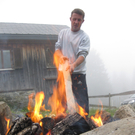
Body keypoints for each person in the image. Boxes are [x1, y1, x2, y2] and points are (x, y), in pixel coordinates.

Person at [55, 8, 90, 115]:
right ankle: (60, 123)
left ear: (82, 21)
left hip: (78, 74)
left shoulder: (84, 37)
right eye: (74, 19)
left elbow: (83, 55)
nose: (76, 22)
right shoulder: (63, 33)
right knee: (61, 103)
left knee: (82, 103)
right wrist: (61, 57)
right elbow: (57, 49)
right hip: (63, 73)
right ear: (70, 19)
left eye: (79, 20)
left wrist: (73, 65)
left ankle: (84, 124)